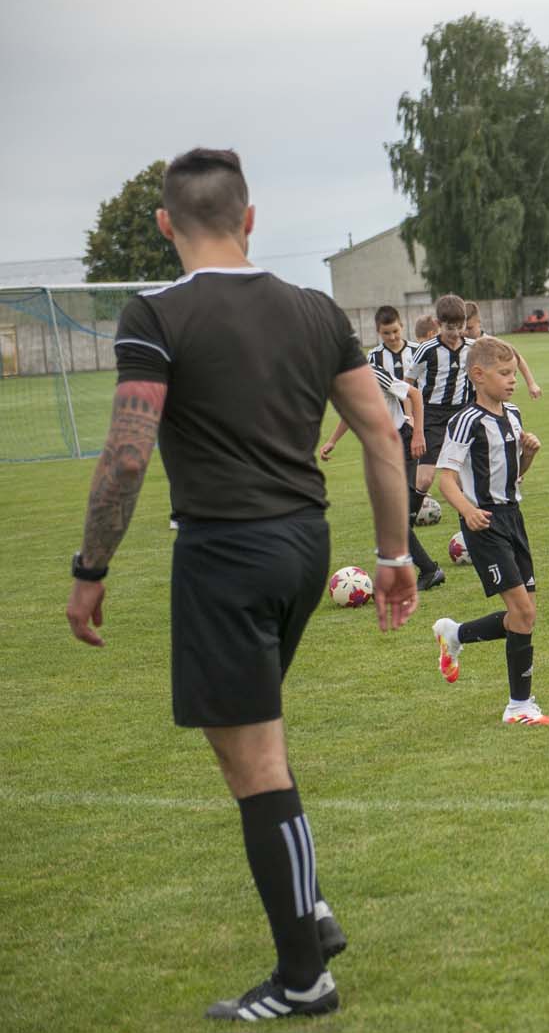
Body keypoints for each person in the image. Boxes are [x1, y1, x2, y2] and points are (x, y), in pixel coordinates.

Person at [67, 147, 416, 1020]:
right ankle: (311, 907)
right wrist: (393, 555)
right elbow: (381, 433)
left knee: (252, 758)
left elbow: (127, 454)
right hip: (305, 547)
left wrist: (91, 567)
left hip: (225, 554)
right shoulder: (314, 308)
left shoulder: (155, 313)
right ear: (249, 218)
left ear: (165, 224)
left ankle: (304, 977)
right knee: (249, 741)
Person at [429, 337, 548, 724]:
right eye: (505, 373)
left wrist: (528, 455)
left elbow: (515, 476)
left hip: (513, 516)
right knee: (522, 612)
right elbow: (446, 479)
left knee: (525, 616)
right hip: (485, 522)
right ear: (479, 375)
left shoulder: (513, 414)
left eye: (514, 372)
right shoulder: (465, 420)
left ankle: (455, 635)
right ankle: (518, 706)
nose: (514, 380)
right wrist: (467, 511)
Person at [320, 305, 445, 590]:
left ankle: (428, 570)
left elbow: (414, 394)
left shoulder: (372, 372)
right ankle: (425, 570)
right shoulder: (352, 379)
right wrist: (332, 441)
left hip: (401, 442)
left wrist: (417, 434)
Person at [405, 293, 473, 505]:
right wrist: (410, 417)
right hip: (431, 416)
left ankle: (468, 520)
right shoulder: (427, 350)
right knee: (425, 479)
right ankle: (409, 516)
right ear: (437, 324)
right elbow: (407, 384)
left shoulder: (472, 348)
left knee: (463, 478)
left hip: (461, 414)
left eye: (460, 327)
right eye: (450, 328)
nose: (456, 333)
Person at [463, 299, 542, 399]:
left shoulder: (491, 343)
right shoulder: (458, 343)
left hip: (485, 397)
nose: (465, 332)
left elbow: (517, 357)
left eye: (469, 328)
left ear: (479, 322)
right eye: (463, 328)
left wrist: (531, 384)